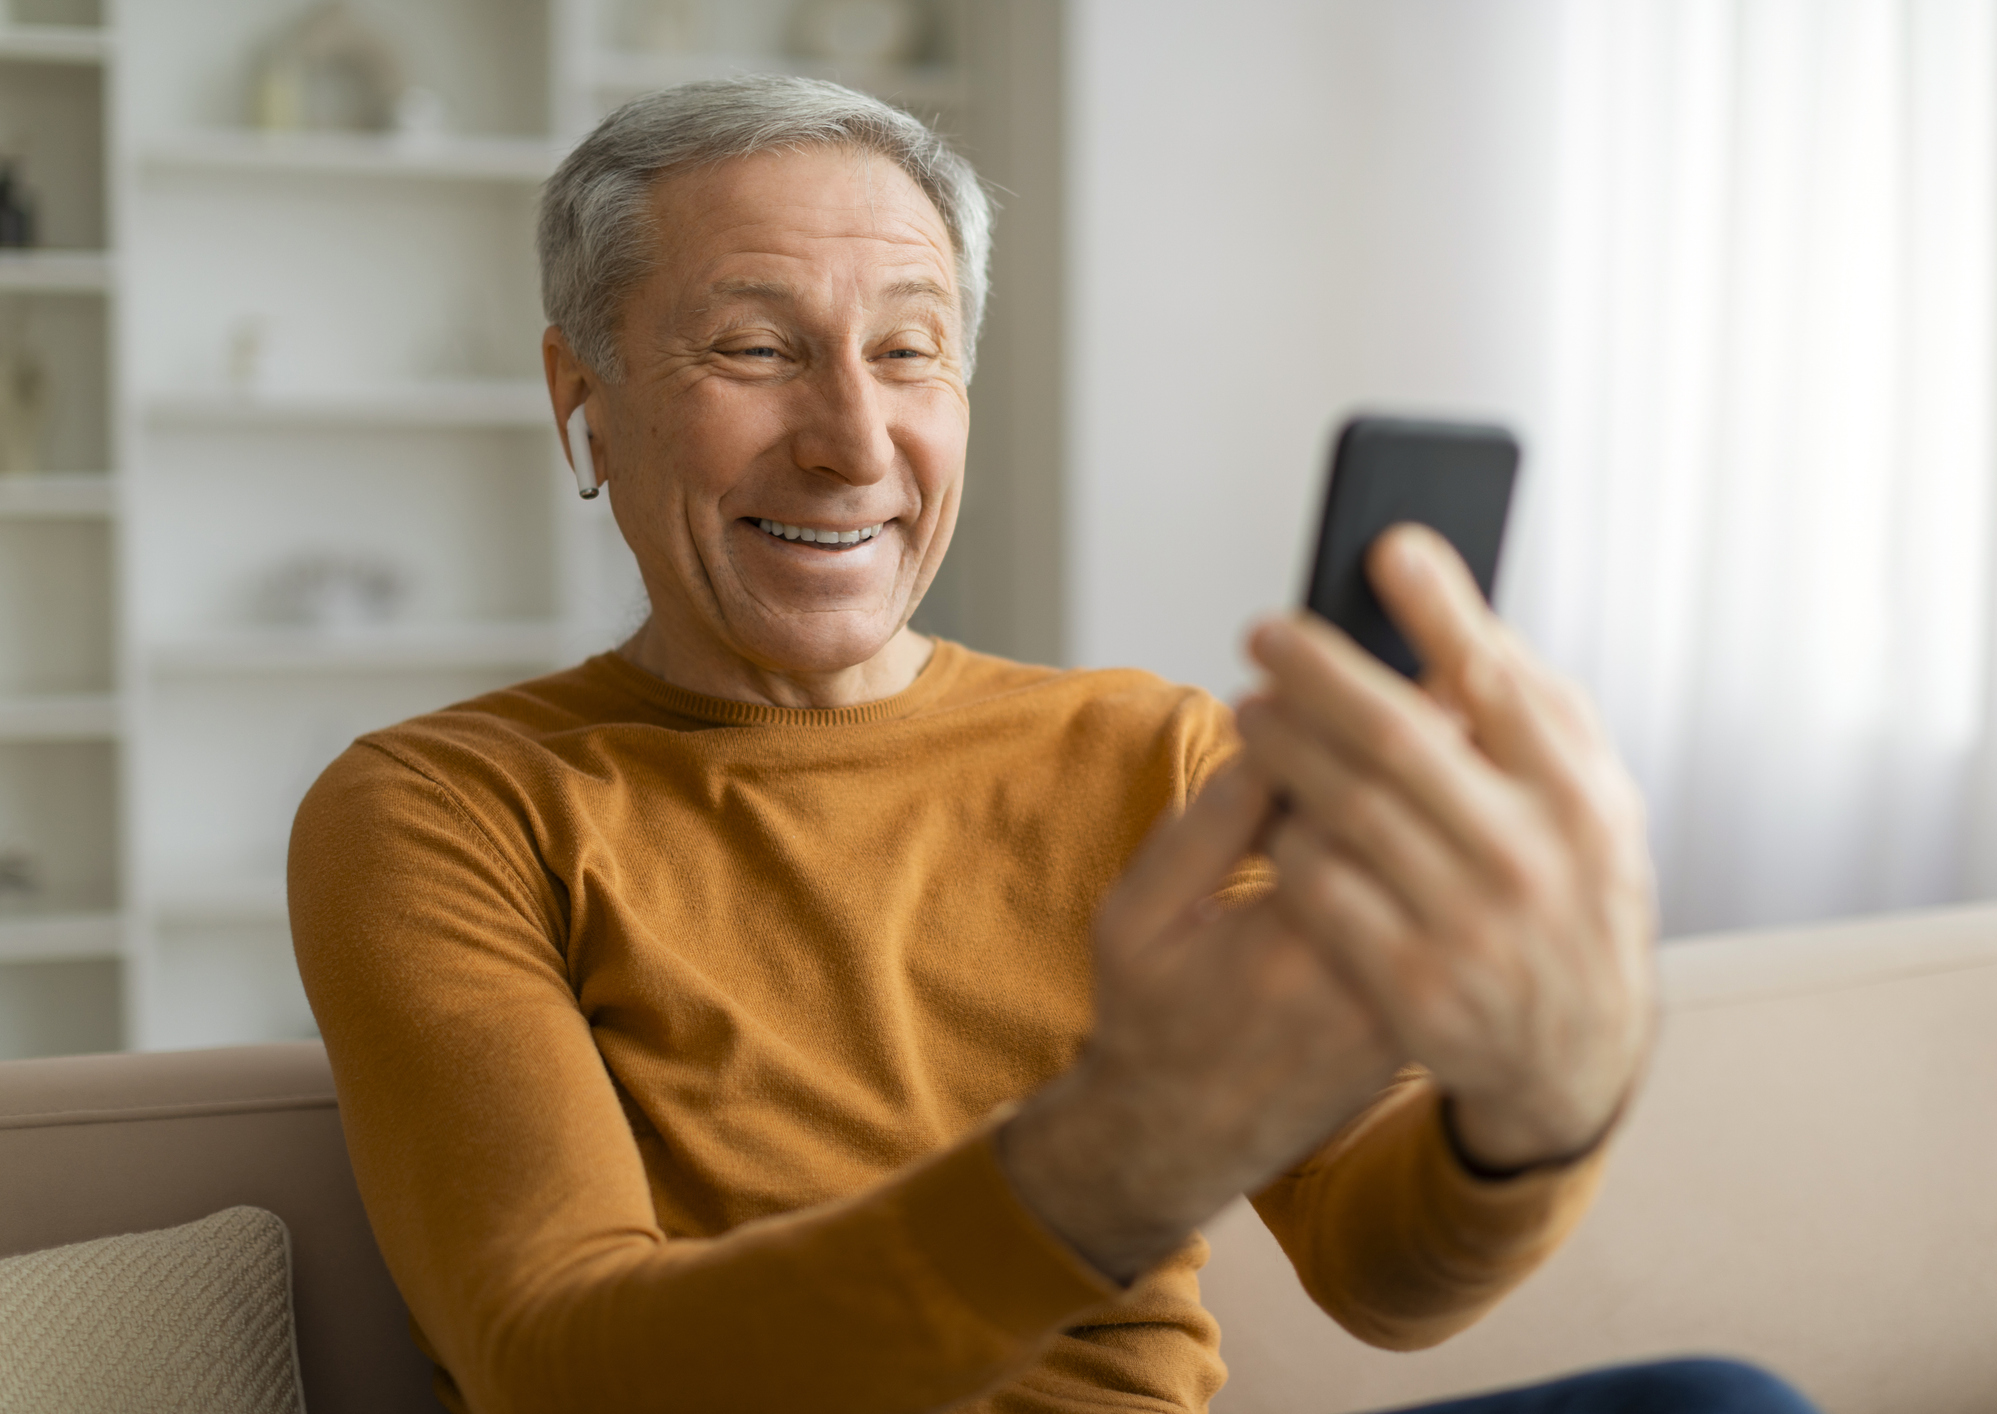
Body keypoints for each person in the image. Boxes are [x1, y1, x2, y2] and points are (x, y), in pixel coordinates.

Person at [287, 76, 1816, 1414]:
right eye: (755, 349)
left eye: (909, 352)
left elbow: (1380, 1273)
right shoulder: (443, 807)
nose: (853, 441)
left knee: (1716, 1403)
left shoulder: (1152, 756)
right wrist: (1100, 1165)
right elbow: (556, 1364)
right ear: (585, 396)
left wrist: (1533, 1113)